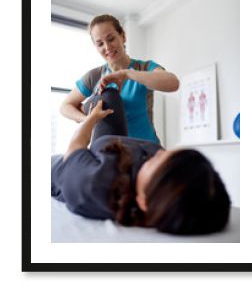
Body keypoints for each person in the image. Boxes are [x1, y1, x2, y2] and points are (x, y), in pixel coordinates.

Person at [52, 88, 231, 235]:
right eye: (169, 156)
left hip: (67, 163)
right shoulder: (158, 172)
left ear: (144, 201)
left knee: (99, 102)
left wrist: (91, 118)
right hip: (113, 149)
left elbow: (76, 146)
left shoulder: (93, 185)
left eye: (159, 160)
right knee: (109, 94)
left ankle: (81, 107)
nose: (160, 153)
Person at [60, 14, 180, 144]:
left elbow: (173, 83)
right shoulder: (94, 76)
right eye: (100, 44)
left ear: (123, 36)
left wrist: (127, 74)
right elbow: (65, 106)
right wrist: (87, 120)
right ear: (95, 47)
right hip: (112, 156)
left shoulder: (143, 68)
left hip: (146, 152)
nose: (107, 47)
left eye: (111, 39)